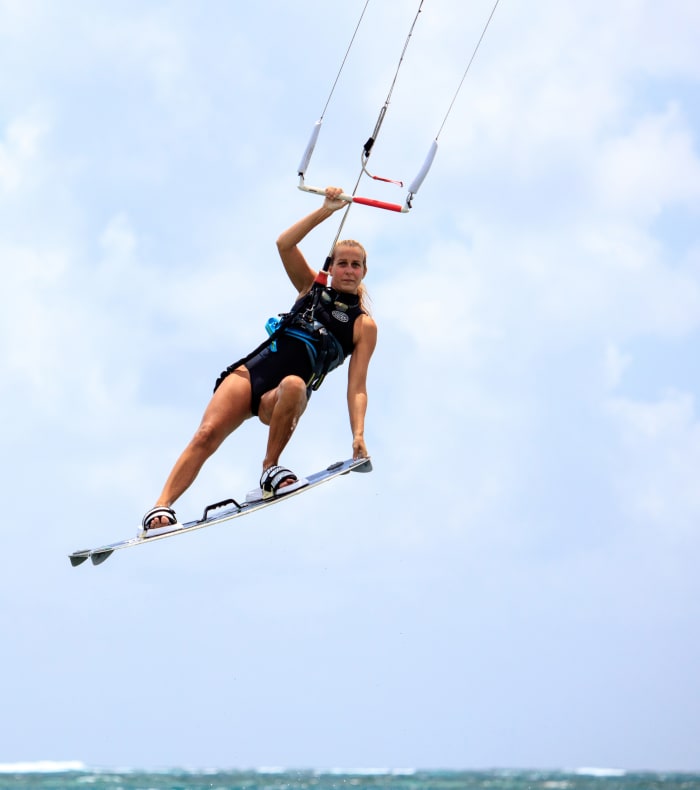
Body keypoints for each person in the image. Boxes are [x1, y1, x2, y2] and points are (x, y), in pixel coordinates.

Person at [141, 186, 378, 533]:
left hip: (283, 396)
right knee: (206, 434)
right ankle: (160, 508)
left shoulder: (363, 325)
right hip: (253, 373)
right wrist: (326, 210)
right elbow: (284, 244)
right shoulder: (310, 287)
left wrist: (358, 434)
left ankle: (270, 470)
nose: (348, 269)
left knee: (296, 383)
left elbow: (357, 387)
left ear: (363, 273)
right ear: (331, 267)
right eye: (342, 263)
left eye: (355, 265)